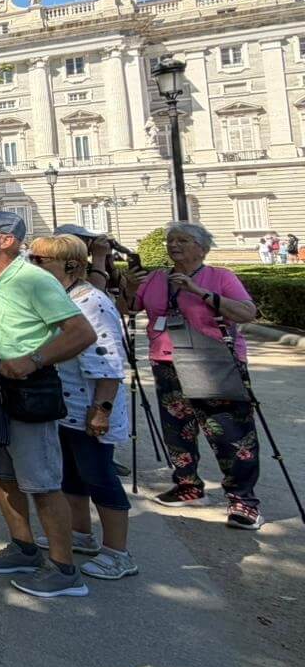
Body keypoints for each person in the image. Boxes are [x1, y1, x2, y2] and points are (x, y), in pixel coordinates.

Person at [0, 211, 97, 598]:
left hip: (25, 388)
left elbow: (80, 332)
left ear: (6, 240)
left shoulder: (34, 279)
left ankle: (64, 568)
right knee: (1, 474)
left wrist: (34, 359)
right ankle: (23, 547)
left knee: (42, 482)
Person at [123, 221, 263, 529]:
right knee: (177, 429)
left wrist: (200, 292)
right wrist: (130, 288)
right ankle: (188, 485)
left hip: (214, 361)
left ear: (202, 248)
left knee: (230, 432)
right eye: (171, 241)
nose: (174, 245)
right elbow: (128, 308)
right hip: (167, 361)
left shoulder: (220, 276)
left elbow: (246, 312)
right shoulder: (157, 278)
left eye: (183, 240)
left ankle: (242, 500)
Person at [27, 236, 137, 578]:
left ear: (71, 264)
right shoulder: (63, 297)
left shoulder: (92, 302)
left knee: (99, 476)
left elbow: (109, 362)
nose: (33, 266)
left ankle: (118, 552)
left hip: (89, 406)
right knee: (72, 475)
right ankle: (80, 532)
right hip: (66, 406)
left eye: (40, 260)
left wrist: (101, 409)